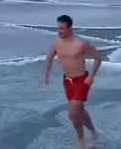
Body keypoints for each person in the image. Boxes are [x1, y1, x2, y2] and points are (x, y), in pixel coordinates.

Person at [44, 15, 103, 149]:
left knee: (73, 114)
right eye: (58, 28)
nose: (59, 31)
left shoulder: (80, 44)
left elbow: (98, 58)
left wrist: (92, 76)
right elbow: (49, 57)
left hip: (82, 80)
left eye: (62, 29)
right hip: (67, 81)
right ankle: (94, 132)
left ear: (70, 28)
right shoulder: (56, 43)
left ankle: (81, 139)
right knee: (79, 111)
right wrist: (47, 72)